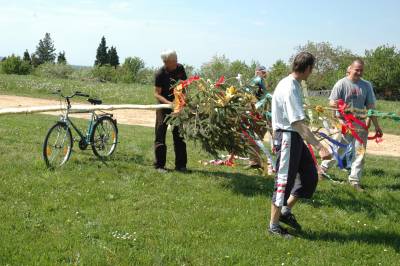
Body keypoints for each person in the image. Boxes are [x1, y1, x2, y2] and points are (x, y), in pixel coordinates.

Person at [268, 52, 331, 238]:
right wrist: (319, 147)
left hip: (295, 137)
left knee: (309, 176)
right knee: (283, 182)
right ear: (309, 68)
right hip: (288, 137)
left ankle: (285, 211)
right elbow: (297, 122)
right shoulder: (289, 87)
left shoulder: (294, 84)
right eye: (313, 69)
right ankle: (273, 226)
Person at [323, 59, 381, 191]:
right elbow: (331, 103)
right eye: (357, 70)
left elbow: (371, 106)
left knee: (360, 152)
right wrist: (342, 108)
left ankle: (354, 180)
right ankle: (323, 170)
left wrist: (376, 126)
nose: (359, 72)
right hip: (343, 123)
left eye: (361, 70)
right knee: (339, 149)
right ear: (351, 69)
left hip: (360, 125)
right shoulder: (341, 84)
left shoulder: (367, 86)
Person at [154, 50, 188, 173]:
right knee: (160, 135)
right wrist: (168, 104)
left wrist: (180, 101)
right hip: (163, 107)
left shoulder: (180, 69)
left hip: (177, 107)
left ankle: (181, 165)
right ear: (166, 62)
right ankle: (159, 166)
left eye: (176, 59)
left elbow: (184, 86)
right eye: (174, 61)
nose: (176, 62)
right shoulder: (160, 74)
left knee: (179, 136)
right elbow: (156, 94)